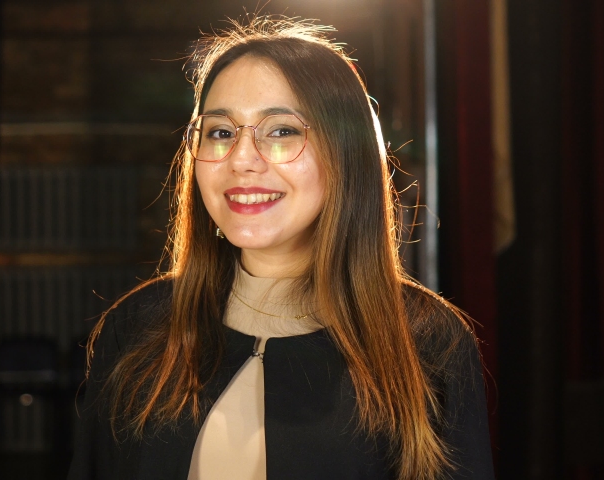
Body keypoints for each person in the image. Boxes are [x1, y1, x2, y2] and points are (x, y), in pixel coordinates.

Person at [68, 16, 494, 480]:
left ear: (344, 154)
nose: (242, 160)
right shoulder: (138, 327)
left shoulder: (427, 342)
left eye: (281, 131)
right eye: (221, 132)